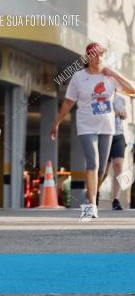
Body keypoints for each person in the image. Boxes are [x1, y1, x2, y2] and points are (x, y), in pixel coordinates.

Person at [49, 42, 135, 221]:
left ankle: (91, 196)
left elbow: (132, 90)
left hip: (107, 127)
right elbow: (68, 102)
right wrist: (56, 122)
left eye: (101, 55)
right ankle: (90, 205)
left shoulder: (109, 77)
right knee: (92, 163)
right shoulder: (79, 78)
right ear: (88, 57)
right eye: (95, 55)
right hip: (86, 125)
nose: (99, 58)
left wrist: (114, 73)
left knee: (102, 170)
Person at [103, 95, 128, 210]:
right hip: (103, 134)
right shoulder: (99, 96)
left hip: (118, 135)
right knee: (103, 171)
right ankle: (93, 195)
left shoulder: (120, 98)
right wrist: (114, 114)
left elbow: (125, 115)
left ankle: (116, 200)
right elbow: (97, 115)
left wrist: (123, 115)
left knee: (118, 166)